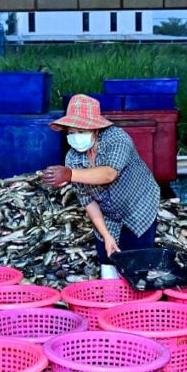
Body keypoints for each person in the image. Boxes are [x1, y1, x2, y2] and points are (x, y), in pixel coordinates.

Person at [41, 94, 160, 279]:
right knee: (108, 257)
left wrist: (70, 175)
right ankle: (111, 300)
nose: (75, 137)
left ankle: (139, 303)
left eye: (81, 131)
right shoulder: (73, 158)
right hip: (107, 212)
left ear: (96, 129)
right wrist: (106, 236)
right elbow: (88, 201)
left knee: (137, 262)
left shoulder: (117, 139)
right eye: (71, 133)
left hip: (139, 205)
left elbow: (108, 174)